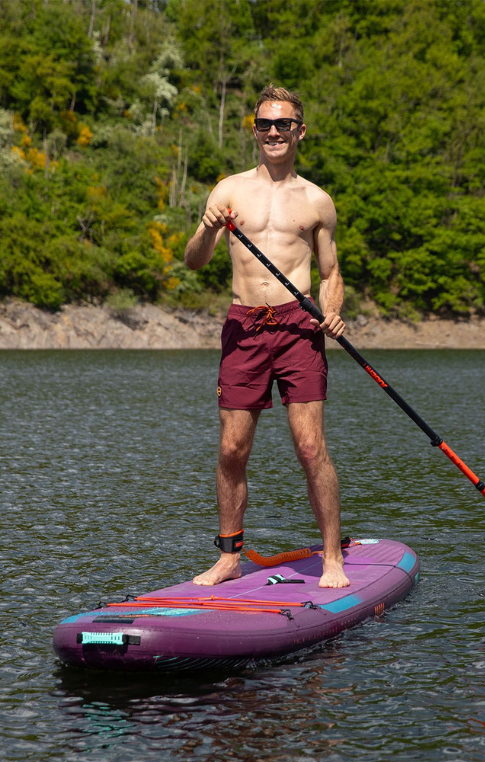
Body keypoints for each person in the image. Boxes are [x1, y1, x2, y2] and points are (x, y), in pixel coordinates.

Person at [183, 84, 349, 589]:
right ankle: (229, 556)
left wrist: (333, 312)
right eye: (264, 124)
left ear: (300, 130)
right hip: (244, 327)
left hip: (299, 330)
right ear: (254, 130)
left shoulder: (317, 201)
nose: (273, 132)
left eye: (283, 124)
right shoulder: (228, 190)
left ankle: (332, 559)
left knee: (309, 447)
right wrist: (208, 230)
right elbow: (194, 260)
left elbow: (330, 272)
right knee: (233, 448)